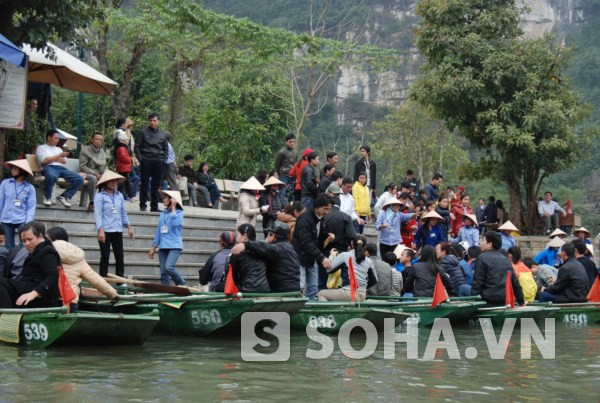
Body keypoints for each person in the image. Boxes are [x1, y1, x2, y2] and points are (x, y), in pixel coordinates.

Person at [46, 227, 118, 309]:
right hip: (70, 303)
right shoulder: (77, 258)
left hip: (49, 301)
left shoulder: (46, 254)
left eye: (46, 239)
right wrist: (113, 295)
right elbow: (96, 280)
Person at [0, 221, 61, 308]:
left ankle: (7, 314)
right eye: (24, 241)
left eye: (30, 239)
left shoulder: (47, 252)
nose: (27, 244)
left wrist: (34, 293)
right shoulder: (36, 250)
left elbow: (53, 276)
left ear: (40, 236)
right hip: (27, 287)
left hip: (41, 295)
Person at [231, 222, 300, 292]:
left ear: (272, 236)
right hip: (294, 287)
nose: (266, 236)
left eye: (268, 234)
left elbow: (266, 248)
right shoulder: (290, 247)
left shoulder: (277, 249)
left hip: (281, 289)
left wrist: (246, 245)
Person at [94, 170, 134, 278]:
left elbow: (123, 212)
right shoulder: (99, 196)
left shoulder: (119, 195)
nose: (113, 183)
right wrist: (100, 230)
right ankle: (103, 280)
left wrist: (129, 227)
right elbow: (97, 214)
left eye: (115, 181)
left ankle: (120, 282)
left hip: (117, 229)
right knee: (105, 256)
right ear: (105, 182)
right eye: (111, 181)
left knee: (120, 257)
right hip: (105, 230)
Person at [292, 194, 333, 300]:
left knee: (313, 287)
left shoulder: (321, 218)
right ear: (317, 206)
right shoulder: (305, 219)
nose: (327, 212)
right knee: (300, 286)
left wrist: (328, 235)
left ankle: (312, 305)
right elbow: (306, 241)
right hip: (300, 257)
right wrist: (321, 257)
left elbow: (319, 235)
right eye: (325, 209)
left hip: (312, 257)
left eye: (329, 209)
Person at [471, 231, 525, 306]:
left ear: (490, 244)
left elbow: (477, 283)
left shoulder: (481, 258)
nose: (480, 243)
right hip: (504, 301)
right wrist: (521, 302)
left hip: (487, 301)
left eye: (483, 240)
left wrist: (475, 302)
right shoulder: (506, 259)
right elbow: (515, 283)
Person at [318, 235, 377, 301]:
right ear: (365, 246)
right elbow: (374, 280)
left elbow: (329, 269)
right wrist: (363, 288)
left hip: (348, 293)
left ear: (352, 244)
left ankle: (330, 311)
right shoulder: (369, 261)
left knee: (321, 293)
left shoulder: (344, 255)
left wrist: (331, 255)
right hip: (362, 295)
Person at [148, 190, 187, 286]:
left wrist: (173, 208)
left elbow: (176, 224)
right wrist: (153, 247)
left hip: (174, 245)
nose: (163, 199)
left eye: (165, 197)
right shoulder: (163, 214)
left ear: (172, 200)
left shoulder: (179, 213)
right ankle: (165, 290)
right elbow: (159, 231)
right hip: (163, 245)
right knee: (163, 272)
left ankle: (182, 284)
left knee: (169, 267)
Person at [36, 129, 84, 207]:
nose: (58, 140)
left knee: (79, 179)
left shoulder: (58, 149)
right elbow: (44, 161)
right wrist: (58, 156)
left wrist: (52, 158)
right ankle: (47, 197)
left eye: (58, 138)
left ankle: (64, 196)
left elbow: (64, 161)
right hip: (49, 167)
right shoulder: (41, 148)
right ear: (49, 138)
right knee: (51, 176)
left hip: (61, 169)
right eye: (56, 138)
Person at [135, 113, 169, 212]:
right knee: (144, 183)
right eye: (150, 120)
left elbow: (166, 148)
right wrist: (141, 159)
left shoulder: (163, 134)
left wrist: (164, 160)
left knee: (156, 185)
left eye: (154, 120)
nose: (152, 122)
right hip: (146, 159)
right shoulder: (142, 132)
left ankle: (154, 206)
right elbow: (137, 146)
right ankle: (143, 205)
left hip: (159, 161)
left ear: (158, 121)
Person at [0, 159, 36, 248]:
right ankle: (10, 262)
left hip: (22, 220)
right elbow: (1, 201)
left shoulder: (30, 188)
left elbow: (31, 206)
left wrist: (28, 222)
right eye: (12, 168)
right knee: (8, 246)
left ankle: (21, 261)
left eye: (16, 169)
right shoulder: (5, 183)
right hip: (6, 219)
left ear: (22, 171)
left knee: (23, 245)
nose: (13, 170)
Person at [226, 224, 270, 293]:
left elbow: (233, 275)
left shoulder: (237, 252)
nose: (236, 239)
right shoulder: (263, 249)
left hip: (247, 289)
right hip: (265, 289)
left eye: (237, 235)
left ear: (245, 236)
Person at [78, 132, 108, 212]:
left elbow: (104, 166)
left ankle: (107, 203)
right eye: (96, 139)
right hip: (87, 173)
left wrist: (106, 174)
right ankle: (92, 202)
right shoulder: (85, 151)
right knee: (93, 178)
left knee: (112, 179)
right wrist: (95, 173)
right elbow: (83, 166)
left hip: (99, 173)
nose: (98, 141)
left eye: (100, 140)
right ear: (92, 140)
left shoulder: (102, 152)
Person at [114, 130, 133, 201]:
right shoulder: (122, 148)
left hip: (123, 167)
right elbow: (124, 157)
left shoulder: (122, 147)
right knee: (125, 182)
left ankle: (121, 194)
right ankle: (130, 195)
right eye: (127, 139)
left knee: (123, 182)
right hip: (123, 168)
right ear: (124, 140)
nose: (128, 141)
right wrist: (129, 159)